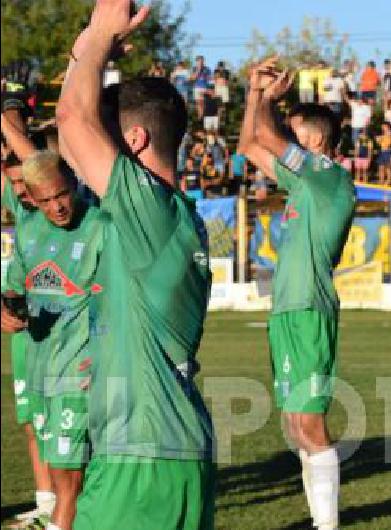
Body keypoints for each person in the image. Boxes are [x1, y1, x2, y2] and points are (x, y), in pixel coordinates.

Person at [57, 2, 215, 528]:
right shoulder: (169, 216)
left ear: (136, 142)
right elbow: (73, 142)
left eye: (110, 142)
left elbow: (72, 123)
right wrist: (87, 55)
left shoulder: (148, 204)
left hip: (141, 462)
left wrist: (101, 32)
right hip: (165, 454)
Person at [237, 57, 355, 530]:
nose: (286, 135)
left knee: (310, 423)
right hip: (288, 309)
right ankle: (317, 519)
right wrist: (252, 95)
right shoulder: (305, 183)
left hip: (308, 308)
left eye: (295, 130)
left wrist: (267, 99)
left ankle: (328, 526)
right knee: (294, 424)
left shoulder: (329, 177)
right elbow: (249, 143)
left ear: (316, 140)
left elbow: (265, 136)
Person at [4, 151, 105, 530]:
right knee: (64, 475)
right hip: (40, 364)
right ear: (29, 198)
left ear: (74, 184)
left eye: (62, 194)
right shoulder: (29, 230)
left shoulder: (100, 226)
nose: (57, 207)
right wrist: (9, 309)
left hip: (80, 368)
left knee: (70, 478)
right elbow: (15, 289)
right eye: (45, 200)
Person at [0, 111, 56, 527]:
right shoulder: (22, 216)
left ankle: (68, 504)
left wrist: (8, 113)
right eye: (14, 184)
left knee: (63, 421)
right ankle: (45, 503)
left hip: (65, 336)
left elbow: (29, 156)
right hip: (25, 335)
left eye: (25, 184)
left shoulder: (61, 212)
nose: (19, 191)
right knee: (32, 420)